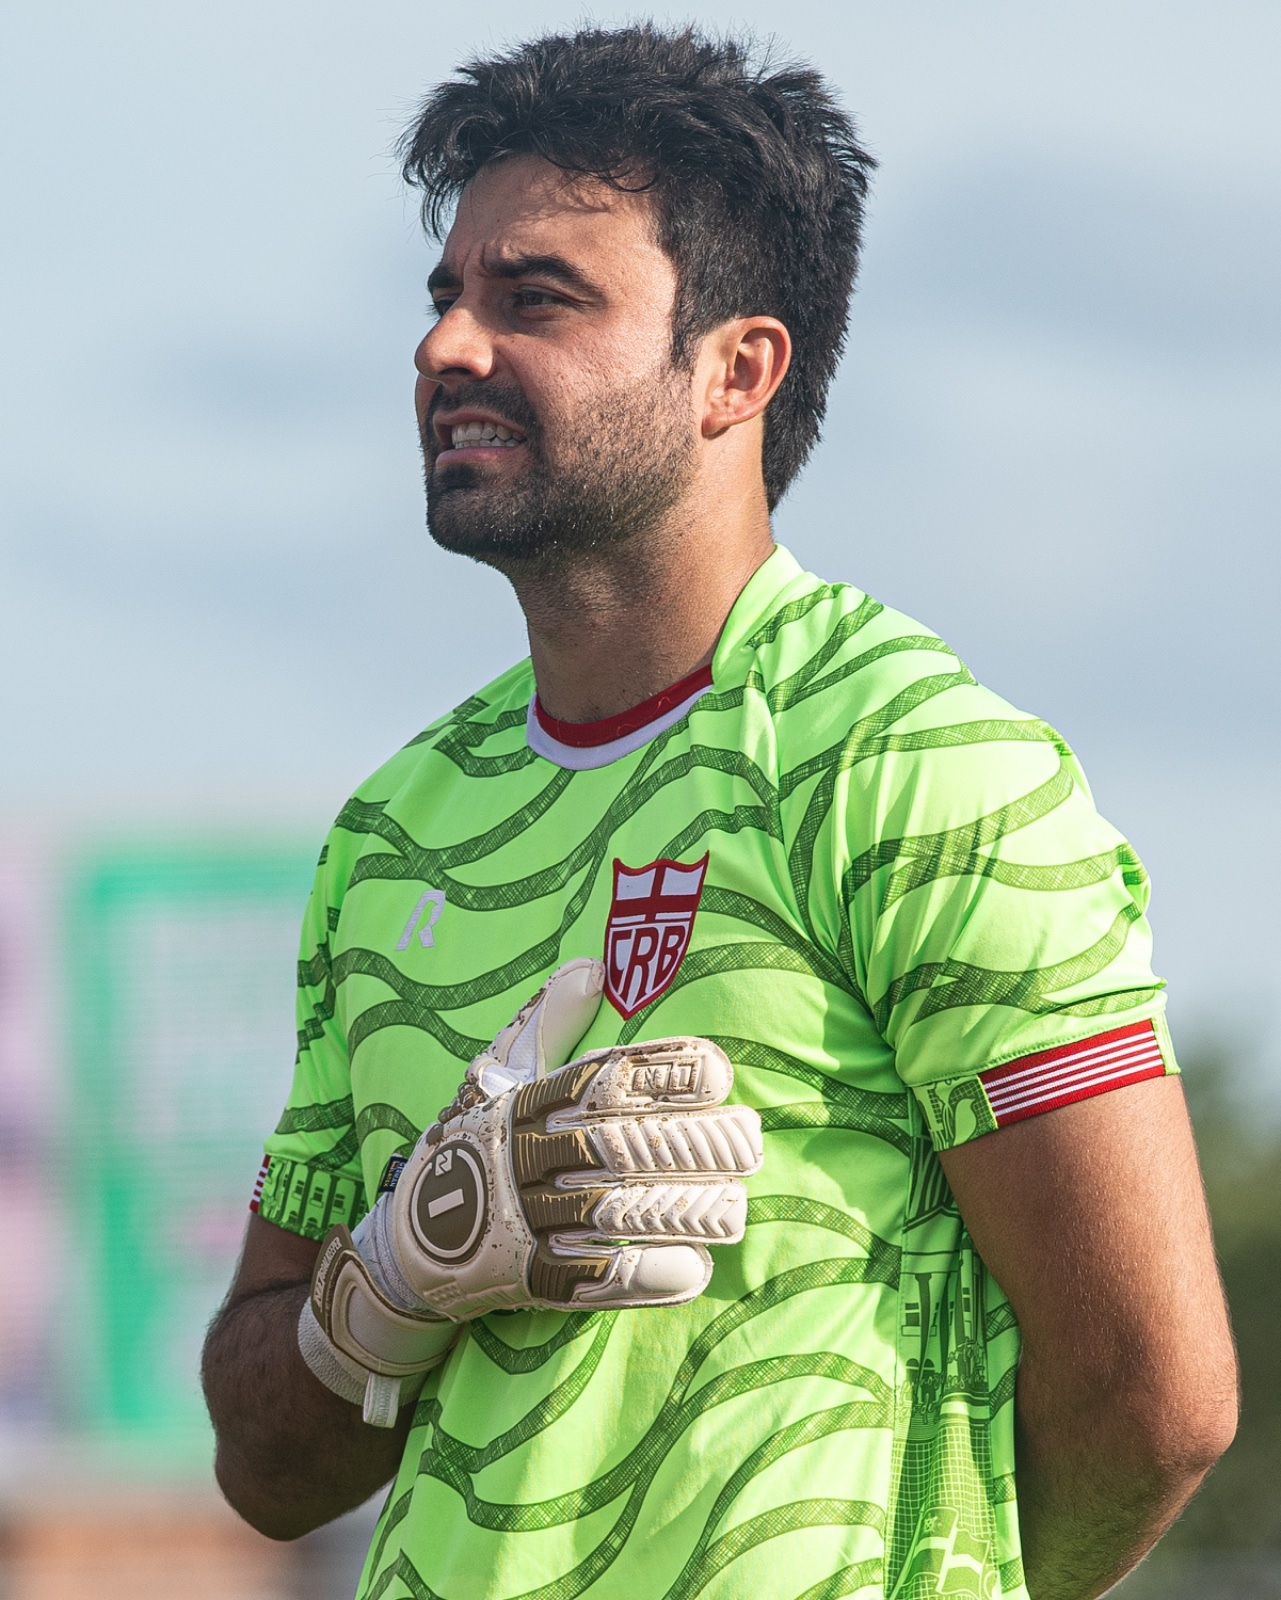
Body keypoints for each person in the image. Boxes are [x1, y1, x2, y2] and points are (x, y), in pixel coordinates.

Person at [202, 25, 1237, 1600]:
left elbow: (1153, 1402)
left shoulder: (910, 759)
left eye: (533, 296)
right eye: (444, 295)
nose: (444, 347)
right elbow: (266, 1468)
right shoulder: (389, 832)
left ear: (735, 369)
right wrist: (398, 1277)